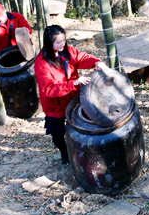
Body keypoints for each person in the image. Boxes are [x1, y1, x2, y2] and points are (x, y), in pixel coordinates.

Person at [34, 25, 106, 164]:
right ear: (49, 43)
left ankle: (82, 152)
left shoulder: (68, 51)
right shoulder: (42, 63)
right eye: (58, 42)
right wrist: (73, 83)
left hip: (73, 98)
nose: (62, 44)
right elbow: (49, 89)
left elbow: (82, 58)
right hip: (55, 106)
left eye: (64, 40)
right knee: (58, 135)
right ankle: (65, 155)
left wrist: (96, 62)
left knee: (80, 126)